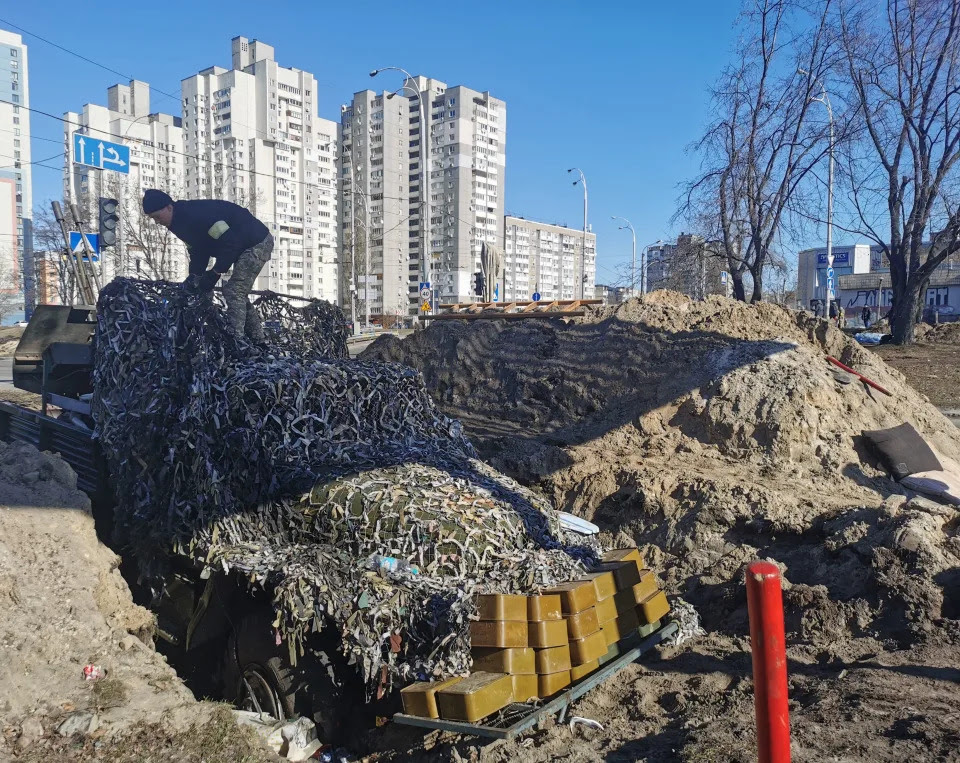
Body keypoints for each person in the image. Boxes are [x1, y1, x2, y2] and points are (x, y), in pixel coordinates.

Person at [142, 189, 273, 341]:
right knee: (235, 292)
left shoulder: (198, 216)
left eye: (157, 217)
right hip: (238, 244)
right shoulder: (177, 224)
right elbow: (198, 250)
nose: (157, 222)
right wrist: (194, 277)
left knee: (234, 290)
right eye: (153, 219)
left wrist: (215, 272)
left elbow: (231, 244)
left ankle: (236, 341)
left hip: (256, 241)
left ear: (169, 207)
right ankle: (258, 338)